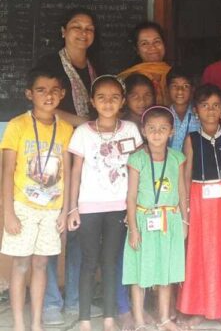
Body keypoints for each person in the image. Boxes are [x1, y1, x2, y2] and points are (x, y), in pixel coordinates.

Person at [34, 8, 101, 326]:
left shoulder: (92, 68)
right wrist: (87, 124)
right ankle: (50, 302)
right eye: (76, 27)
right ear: (63, 31)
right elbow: (47, 106)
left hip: (84, 157)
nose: (83, 33)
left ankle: (75, 298)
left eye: (89, 28)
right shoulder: (49, 65)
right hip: (52, 152)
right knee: (49, 227)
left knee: (77, 227)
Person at [67, 75, 143, 331]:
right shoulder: (82, 132)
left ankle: (110, 317)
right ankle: (85, 318)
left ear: (122, 101)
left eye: (114, 97)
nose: (108, 102)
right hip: (88, 207)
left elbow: (137, 169)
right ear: (92, 101)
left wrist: (135, 208)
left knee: (111, 262)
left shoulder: (131, 130)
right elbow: (75, 172)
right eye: (101, 97)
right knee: (89, 263)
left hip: (119, 208)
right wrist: (72, 208)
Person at [1, 68, 73, 331]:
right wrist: (7, 212)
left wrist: (65, 211)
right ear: (29, 94)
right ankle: (20, 324)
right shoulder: (17, 125)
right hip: (23, 207)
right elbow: (7, 171)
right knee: (20, 264)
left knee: (42, 264)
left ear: (63, 94)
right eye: (41, 90)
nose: (48, 95)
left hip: (52, 209)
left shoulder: (65, 129)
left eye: (55, 90)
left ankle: (36, 323)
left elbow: (66, 170)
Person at [176, 84, 221, 327]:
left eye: (215, 106)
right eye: (205, 106)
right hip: (199, 198)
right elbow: (185, 176)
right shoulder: (192, 138)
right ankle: (199, 308)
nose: (210, 110)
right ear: (196, 110)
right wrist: (185, 208)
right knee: (200, 253)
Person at [123, 106, 188, 331]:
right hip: (143, 220)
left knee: (166, 272)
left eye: (163, 128)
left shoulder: (177, 158)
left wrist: (184, 221)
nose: (157, 133)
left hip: (169, 221)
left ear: (171, 131)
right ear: (143, 131)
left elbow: (181, 192)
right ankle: (140, 320)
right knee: (139, 271)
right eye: (151, 128)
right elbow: (131, 197)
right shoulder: (137, 159)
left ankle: (163, 319)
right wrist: (133, 229)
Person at [119, 22, 171, 105]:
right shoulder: (130, 78)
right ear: (137, 49)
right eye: (144, 43)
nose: (152, 47)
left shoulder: (174, 74)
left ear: (164, 44)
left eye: (157, 41)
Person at [167, 67, 199, 151]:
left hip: (194, 163)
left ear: (192, 89)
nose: (180, 91)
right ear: (167, 89)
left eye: (185, 86)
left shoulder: (200, 115)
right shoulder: (163, 115)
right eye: (174, 86)